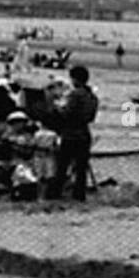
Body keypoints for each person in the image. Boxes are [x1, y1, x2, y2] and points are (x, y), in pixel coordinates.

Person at [50, 64, 99, 201]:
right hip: (84, 133)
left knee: (62, 165)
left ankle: (56, 193)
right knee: (81, 168)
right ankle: (79, 194)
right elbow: (91, 117)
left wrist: (57, 107)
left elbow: (67, 113)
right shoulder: (92, 96)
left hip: (71, 133)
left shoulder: (75, 94)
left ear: (75, 79)